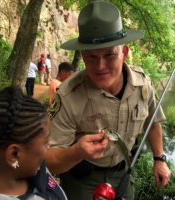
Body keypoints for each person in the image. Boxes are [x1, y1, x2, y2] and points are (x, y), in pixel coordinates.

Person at [45, 1, 171, 200]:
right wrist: (77, 152)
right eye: (91, 57)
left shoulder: (143, 84)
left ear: (125, 53)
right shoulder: (67, 96)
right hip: (81, 180)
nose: (100, 66)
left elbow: (152, 121)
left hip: (124, 173)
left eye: (109, 55)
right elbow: (48, 161)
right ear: (83, 56)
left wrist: (159, 159)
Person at [0, 86, 68, 200]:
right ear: (14, 154)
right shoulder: (29, 165)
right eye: (45, 142)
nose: (49, 146)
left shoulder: (30, 166)